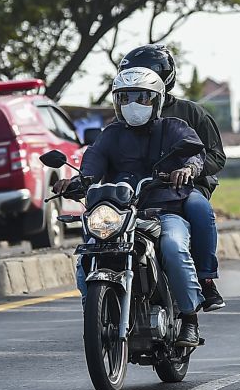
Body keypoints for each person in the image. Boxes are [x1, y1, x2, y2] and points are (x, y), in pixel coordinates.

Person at [56, 67, 206, 346]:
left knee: (173, 247)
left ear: (158, 100)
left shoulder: (174, 128)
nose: (133, 105)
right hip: (119, 215)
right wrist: (78, 181)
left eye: (142, 97)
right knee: (87, 254)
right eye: (125, 98)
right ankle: (97, 311)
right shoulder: (111, 135)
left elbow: (196, 154)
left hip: (165, 211)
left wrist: (187, 169)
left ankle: (189, 319)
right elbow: (92, 163)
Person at [120, 44, 228, 311]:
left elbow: (216, 156)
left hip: (186, 188)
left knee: (198, 208)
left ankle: (205, 279)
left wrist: (190, 171)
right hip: (140, 191)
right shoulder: (123, 117)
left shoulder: (191, 114)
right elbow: (103, 154)